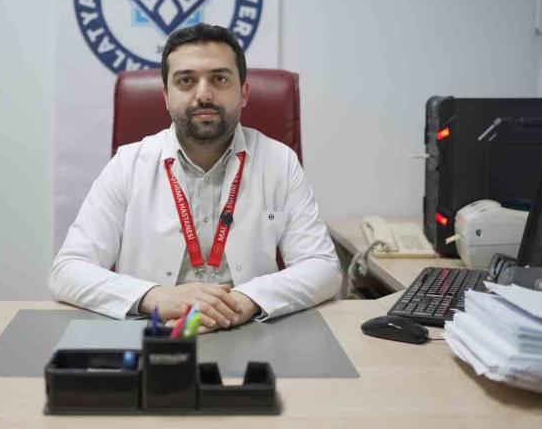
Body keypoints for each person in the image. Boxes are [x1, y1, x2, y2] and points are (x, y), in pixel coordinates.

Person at [49, 23, 342, 331]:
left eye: (219, 79)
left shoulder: (280, 163)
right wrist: (155, 296)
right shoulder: (128, 164)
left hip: (249, 330)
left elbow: (323, 267)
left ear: (244, 93)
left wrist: (246, 299)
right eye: (186, 81)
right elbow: (67, 270)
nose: (203, 94)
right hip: (152, 333)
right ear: (166, 96)